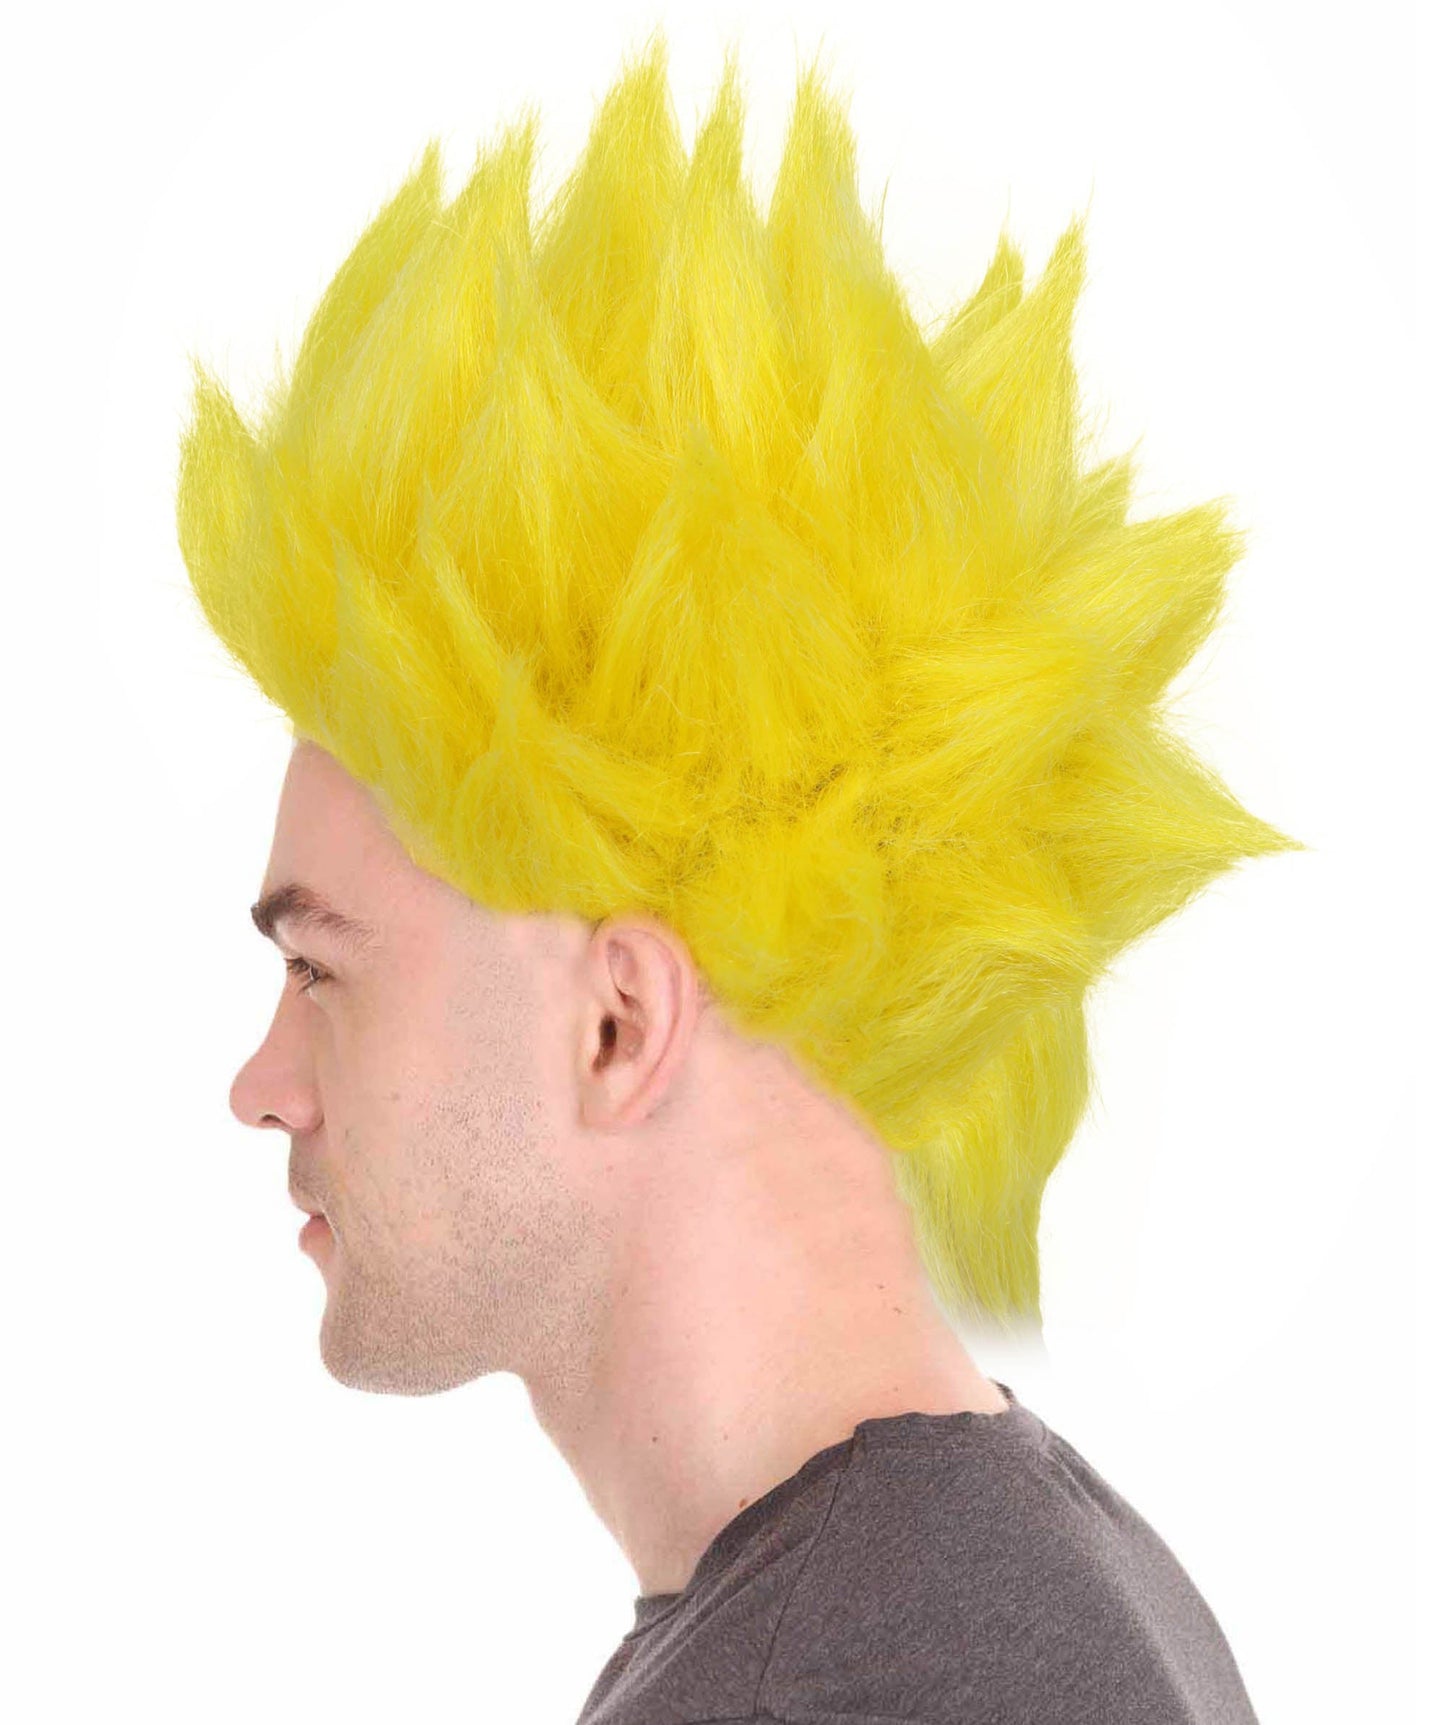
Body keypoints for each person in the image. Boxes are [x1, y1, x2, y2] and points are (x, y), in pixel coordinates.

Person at [182, 29, 1292, 1722]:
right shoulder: (1024, 1581)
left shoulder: (831, 1681)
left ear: (615, 1026)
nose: (261, 1083)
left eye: (320, 968)